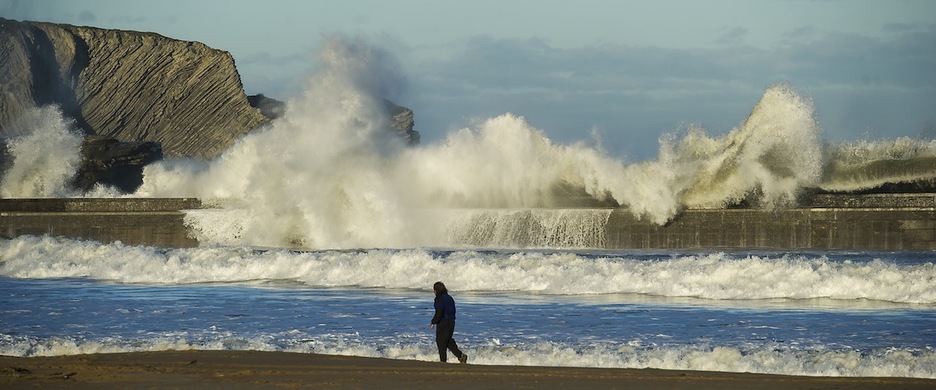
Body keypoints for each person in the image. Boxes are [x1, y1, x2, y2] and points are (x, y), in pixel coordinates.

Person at [429, 281, 468, 363]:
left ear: (436, 290)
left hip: (443, 322)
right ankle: (461, 356)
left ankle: (443, 361)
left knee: (441, 341)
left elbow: (439, 311)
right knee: (447, 340)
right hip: (452, 321)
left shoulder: (438, 298)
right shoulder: (449, 297)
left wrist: (433, 322)